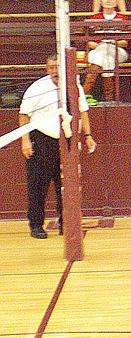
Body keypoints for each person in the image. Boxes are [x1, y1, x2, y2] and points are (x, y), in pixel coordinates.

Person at [18, 54, 96, 238]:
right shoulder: (37, 88)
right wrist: (25, 140)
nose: (54, 71)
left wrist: (88, 135)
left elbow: (83, 111)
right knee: (38, 186)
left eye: (57, 67)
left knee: (67, 185)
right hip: (43, 139)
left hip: (67, 141)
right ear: (47, 69)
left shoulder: (74, 87)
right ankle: (36, 225)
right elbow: (23, 115)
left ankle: (66, 223)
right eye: (51, 68)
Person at [83, 0, 128, 103]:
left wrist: (112, 42)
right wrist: (99, 44)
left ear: (116, 2)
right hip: (97, 50)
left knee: (105, 48)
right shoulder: (95, 17)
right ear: (101, 2)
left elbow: (125, 42)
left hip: (118, 50)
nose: (108, 1)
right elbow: (89, 42)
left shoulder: (122, 18)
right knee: (107, 60)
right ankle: (109, 99)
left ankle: (85, 93)